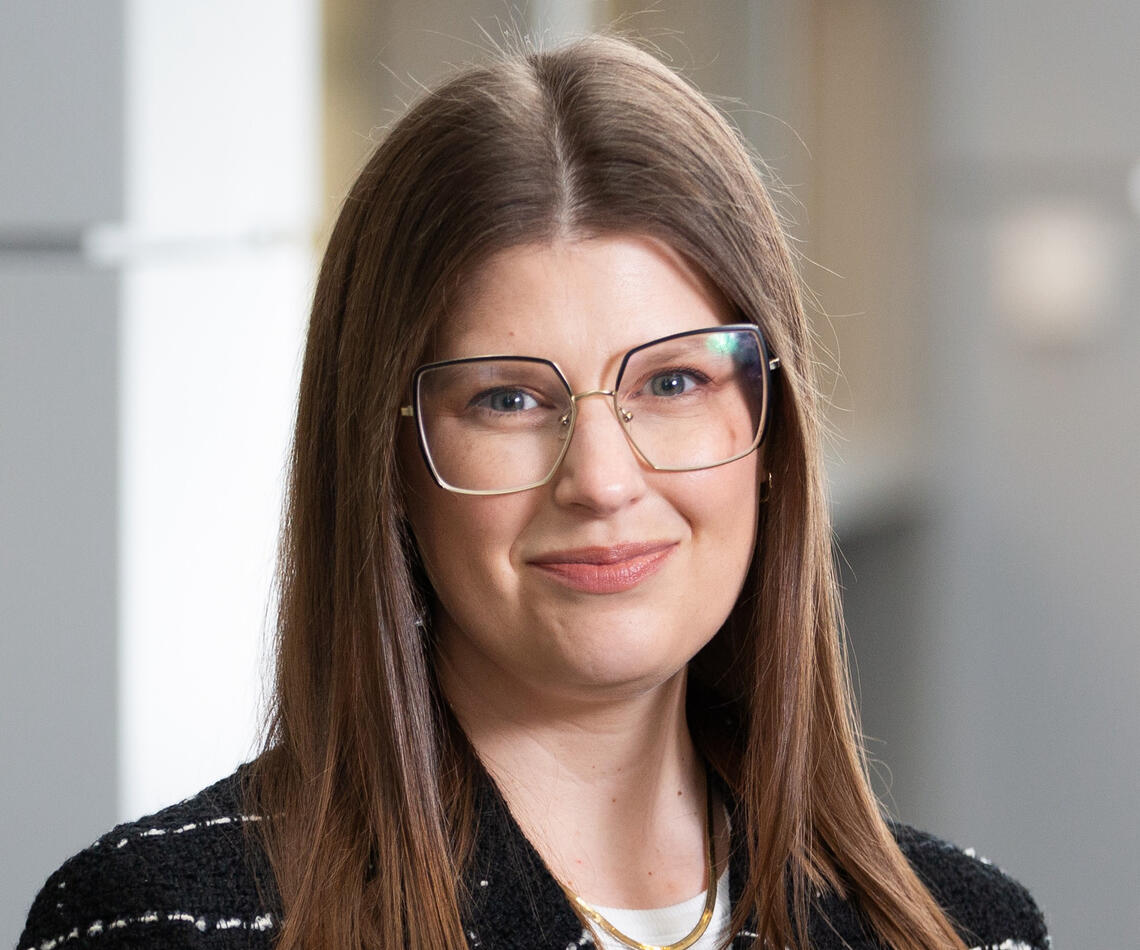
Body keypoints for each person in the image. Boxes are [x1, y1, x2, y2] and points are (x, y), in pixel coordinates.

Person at [19, 35, 1049, 950]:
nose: (601, 479)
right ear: (388, 463)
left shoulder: (968, 925)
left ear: (771, 432)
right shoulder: (163, 920)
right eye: (509, 397)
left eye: (674, 382)